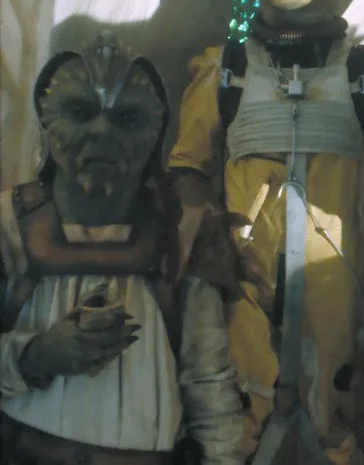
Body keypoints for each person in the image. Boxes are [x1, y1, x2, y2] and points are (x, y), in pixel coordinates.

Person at [167, 0, 364, 463]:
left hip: (338, 279)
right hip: (242, 272)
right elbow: (188, 165)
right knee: (235, 413)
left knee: (334, 410)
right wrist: (207, 238)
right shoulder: (226, 70)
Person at [0, 32, 243, 465]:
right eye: (80, 112)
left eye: (126, 117)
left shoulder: (184, 232)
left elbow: (208, 378)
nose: (101, 132)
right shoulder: (9, 224)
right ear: (47, 119)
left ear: (155, 130)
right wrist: (36, 356)